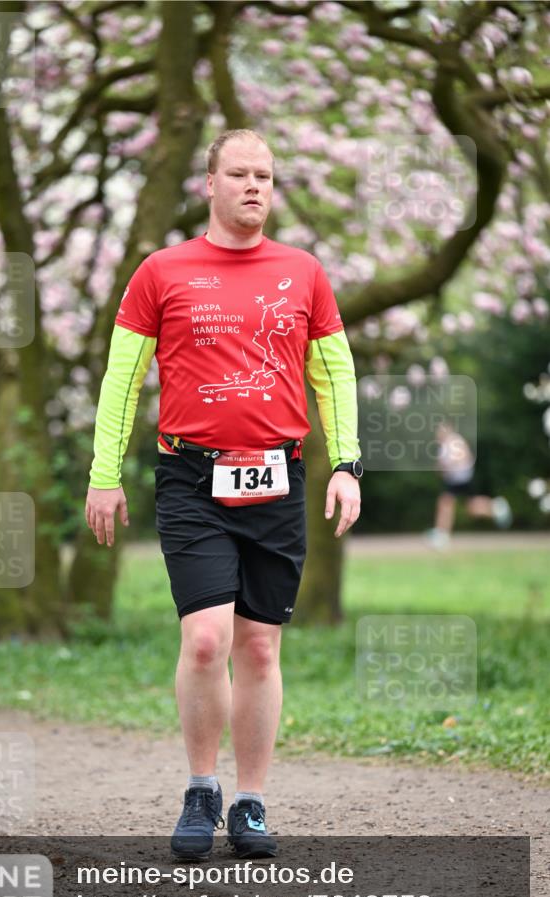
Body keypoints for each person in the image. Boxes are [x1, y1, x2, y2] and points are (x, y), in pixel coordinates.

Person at [85, 129, 362, 860]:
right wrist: (102, 473)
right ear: (208, 183)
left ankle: (250, 802)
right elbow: (122, 378)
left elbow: (334, 374)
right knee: (205, 639)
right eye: (237, 174)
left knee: (261, 649)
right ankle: (201, 787)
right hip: (191, 477)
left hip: (276, 477)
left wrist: (347, 464)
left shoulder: (303, 272)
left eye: (264, 176)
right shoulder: (160, 271)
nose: (253, 187)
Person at [425, 420, 512, 549]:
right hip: (454, 480)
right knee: (469, 508)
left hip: (462, 479)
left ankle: (442, 535)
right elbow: (442, 468)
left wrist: (450, 465)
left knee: (447, 503)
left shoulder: (455, 441)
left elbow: (464, 457)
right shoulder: (442, 447)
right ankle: (495, 507)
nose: (438, 433)